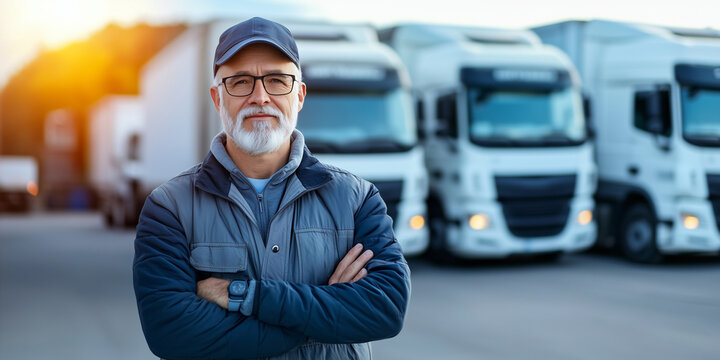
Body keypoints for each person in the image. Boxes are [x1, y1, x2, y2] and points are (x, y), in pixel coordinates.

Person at [132, 17, 411, 360]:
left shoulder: (357, 200)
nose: (260, 97)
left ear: (300, 96)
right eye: (241, 82)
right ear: (218, 99)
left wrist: (245, 296)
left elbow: (385, 310)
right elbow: (172, 335)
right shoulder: (168, 208)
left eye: (278, 81)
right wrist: (325, 311)